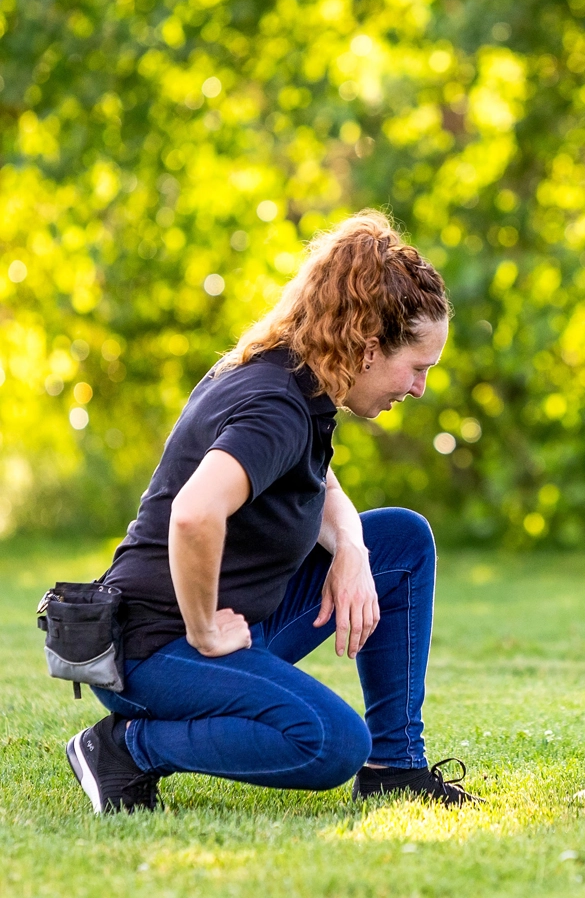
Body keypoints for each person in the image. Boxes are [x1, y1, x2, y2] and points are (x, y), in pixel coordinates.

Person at [64, 211, 478, 813]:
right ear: (366, 348)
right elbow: (193, 514)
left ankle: (395, 767)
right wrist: (204, 630)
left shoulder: (296, 379)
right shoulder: (277, 406)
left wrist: (353, 548)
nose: (418, 389)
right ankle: (127, 748)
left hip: (235, 622)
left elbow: (315, 476)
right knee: (330, 742)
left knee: (401, 542)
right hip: (157, 648)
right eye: (417, 369)